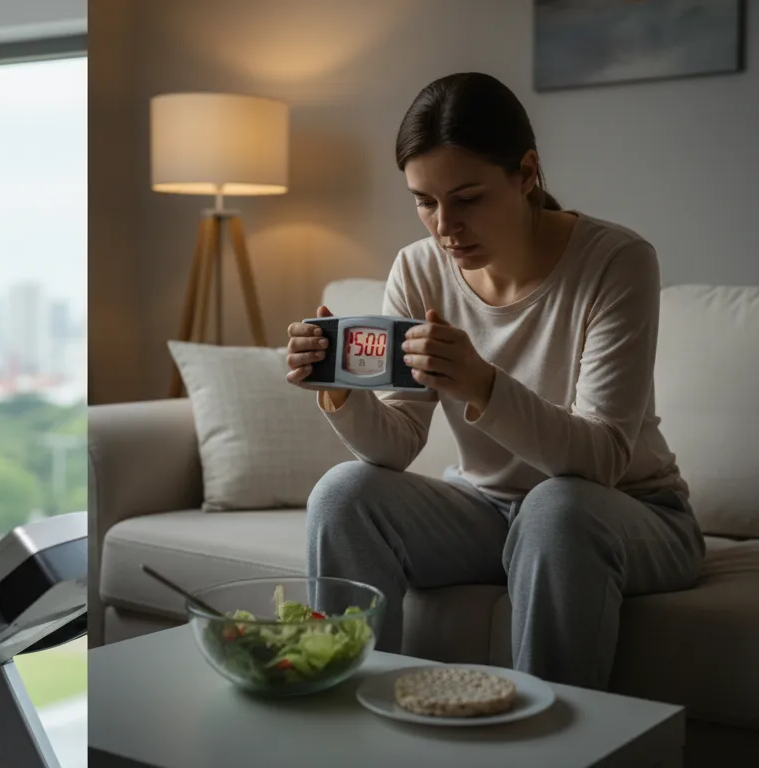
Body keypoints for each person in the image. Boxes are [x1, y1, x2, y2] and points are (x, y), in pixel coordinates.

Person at [285, 72, 704, 691]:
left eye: (468, 197)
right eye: (424, 201)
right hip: (487, 511)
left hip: (625, 513)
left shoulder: (617, 261)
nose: (444, 225)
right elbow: (398, 443)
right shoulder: (418, 267)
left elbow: (603, 459)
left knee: (556, 509)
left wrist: (484, 385)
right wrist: (341, 395)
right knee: (344, 494)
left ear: (527, 172)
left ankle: (556, 746)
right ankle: (344, 715)